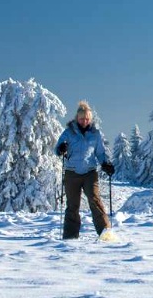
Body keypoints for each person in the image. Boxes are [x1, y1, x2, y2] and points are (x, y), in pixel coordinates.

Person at [54, 100, 115, 239]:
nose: (84, 121)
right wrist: (61, 148)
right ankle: (70, 236)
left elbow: (100, 153)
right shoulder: (69, 132)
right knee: (72, 205)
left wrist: (106, 164)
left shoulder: (95, 134)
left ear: (90, 119)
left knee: (95, 200)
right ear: (77, 118)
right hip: (72, 172)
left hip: (89, 173)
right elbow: (57, 148)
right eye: (82, 118)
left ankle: (105, 233)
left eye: (87, 118)